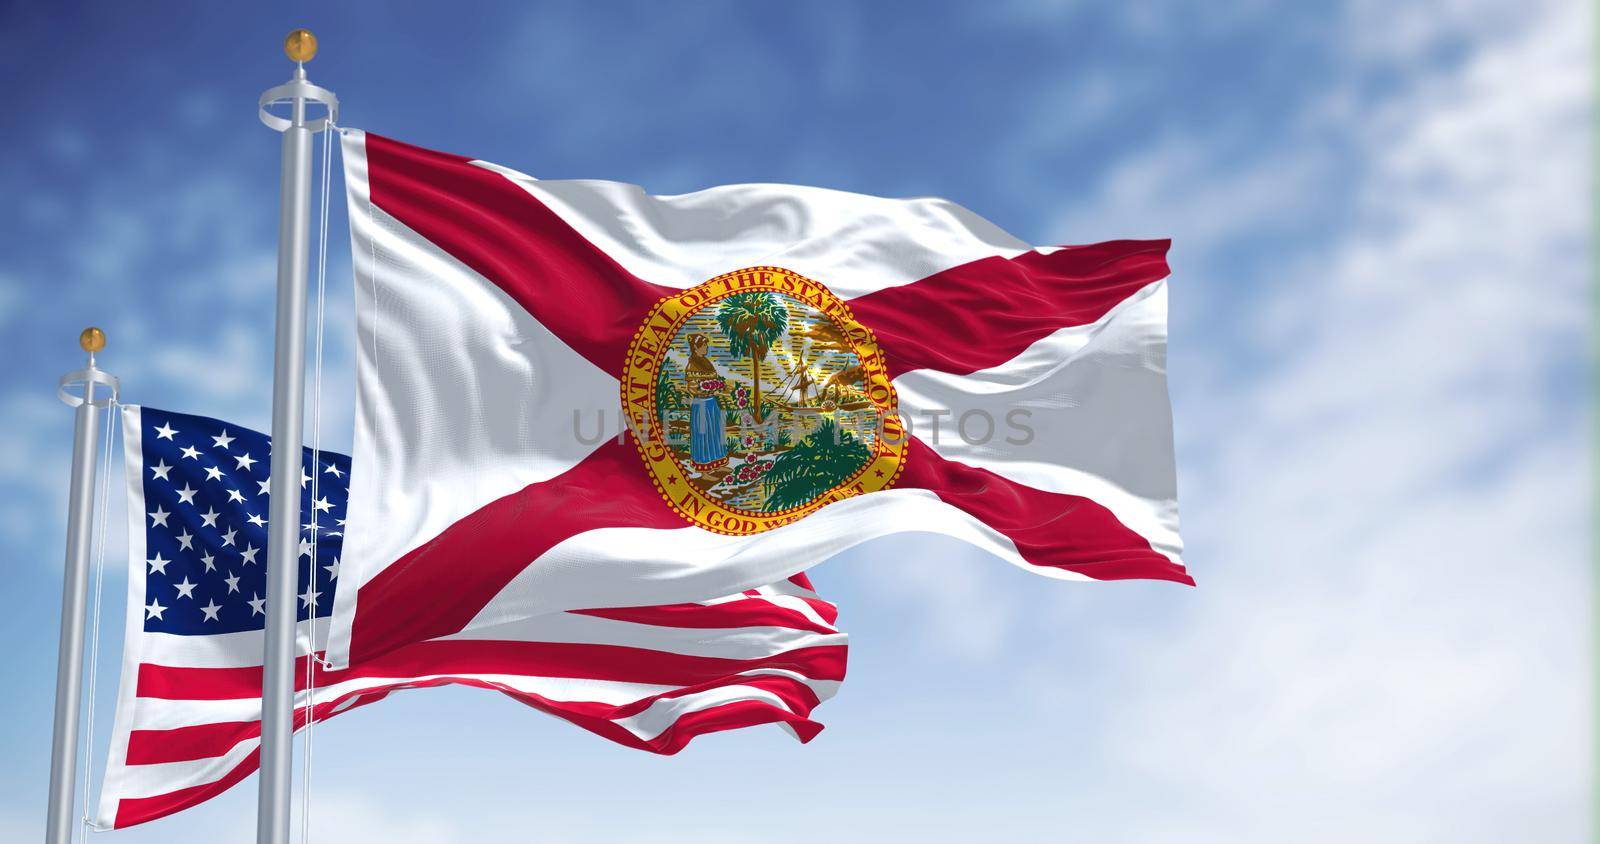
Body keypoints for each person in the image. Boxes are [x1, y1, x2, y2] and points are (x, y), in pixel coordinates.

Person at [684, 333, 728, 470]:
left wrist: (718, 387)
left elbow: (714, 380)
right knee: (703, 434)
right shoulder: (692, 364)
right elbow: (692, 387)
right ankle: (704, 469)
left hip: (712, 403)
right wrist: (705, 389)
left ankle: (718, 463)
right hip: (701, 404)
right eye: (704, 345)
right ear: (696, 348)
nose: (706, 347)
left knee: (716, 432)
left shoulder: (706, 362)